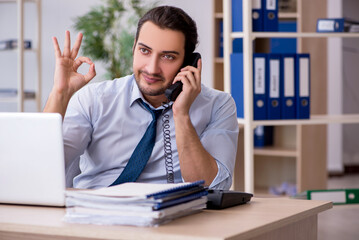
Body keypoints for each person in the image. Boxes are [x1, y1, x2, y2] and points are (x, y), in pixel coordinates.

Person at [44, 6, 239, 190]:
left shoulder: (218, 105)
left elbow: (213, 187)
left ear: (188, 63)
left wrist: (181, 114)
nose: (152, 68)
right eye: (144, 51)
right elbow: (42, 167)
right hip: (95, 212)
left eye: (168, 57)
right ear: (134, 48)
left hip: (170, 218)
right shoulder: (95, 99)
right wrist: (60, 93)